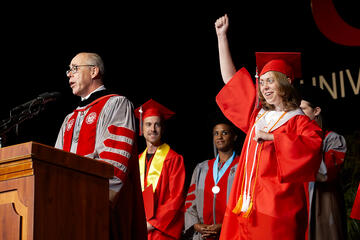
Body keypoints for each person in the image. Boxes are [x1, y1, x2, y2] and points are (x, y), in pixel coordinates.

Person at [214, 14, 323, 239]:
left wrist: (274, 138)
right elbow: (230, 80)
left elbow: (313, 147)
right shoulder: (257, 115)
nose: (264, 87)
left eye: (270, 81)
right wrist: (221, 37)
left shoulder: (297, 120)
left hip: (276, 207)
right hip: (245, 204)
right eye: (261, 82)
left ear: (285, 82)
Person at [55, 52, 147, 240]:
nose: (68, 75)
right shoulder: (69, 118)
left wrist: (94, 198)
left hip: (97, 206)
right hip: (67, 206)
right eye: (68, 70)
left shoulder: (116, 104)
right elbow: (54, 160)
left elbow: (115, 159)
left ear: (94, 71)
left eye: (74, 69)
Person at [298, 85, 347, 240]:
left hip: (321, 206)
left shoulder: (332, 139)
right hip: (297, 206)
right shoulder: (291, 139)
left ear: (316, 111)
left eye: (302, 110)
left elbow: (326, 173)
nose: (297, 116)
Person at [135, 99, 186, 240]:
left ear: (162, 128)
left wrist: (151, 224)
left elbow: (176, 198)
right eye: (148, 124)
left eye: (157, 124)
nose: (153, 129)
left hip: (161, 231)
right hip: (138, 229)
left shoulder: (173, 159)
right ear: (142, 128)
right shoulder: (137, 161)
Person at [183, 114, 240, 240]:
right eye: (216, 133)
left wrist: (224, 225)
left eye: (224, 133)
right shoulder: (202, 168)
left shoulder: (243, 166)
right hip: (202, 235)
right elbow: (190, 201)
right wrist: (196, 225)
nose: (219, 137)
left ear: (234, 136)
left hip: (232, 233)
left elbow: (246, 204)